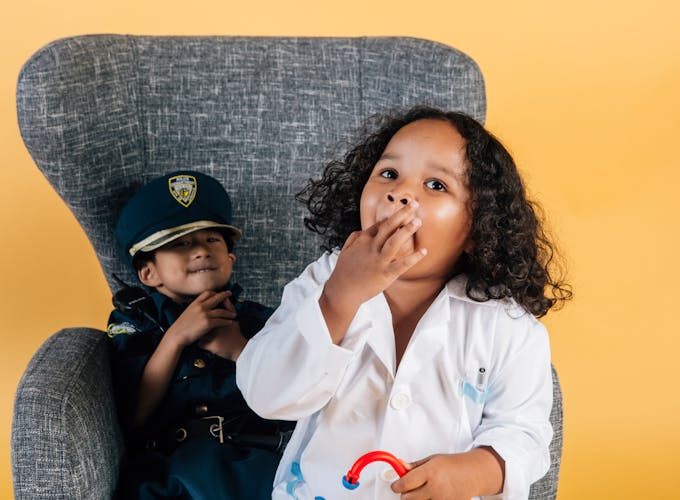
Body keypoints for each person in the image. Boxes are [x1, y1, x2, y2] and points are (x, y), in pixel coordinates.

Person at [236, 106, 572, 500]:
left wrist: (478, 470)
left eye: (435, 185)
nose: (400, 192)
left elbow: (525, 433)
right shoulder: (324, 280)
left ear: (478, 229)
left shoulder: (507, 324)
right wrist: (339, 298)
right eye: (389, 174)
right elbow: (266, 394)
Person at [108, 170, 292, 499]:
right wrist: (176, 338)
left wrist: (240, 350)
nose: (201, 251)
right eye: (181, 244)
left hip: (257, 464)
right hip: (171, 470)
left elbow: (293, 397)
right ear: (148, 272)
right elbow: (132, 417)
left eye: (212, 240)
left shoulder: (263, 319)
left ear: (230, 259)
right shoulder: (136, 321)